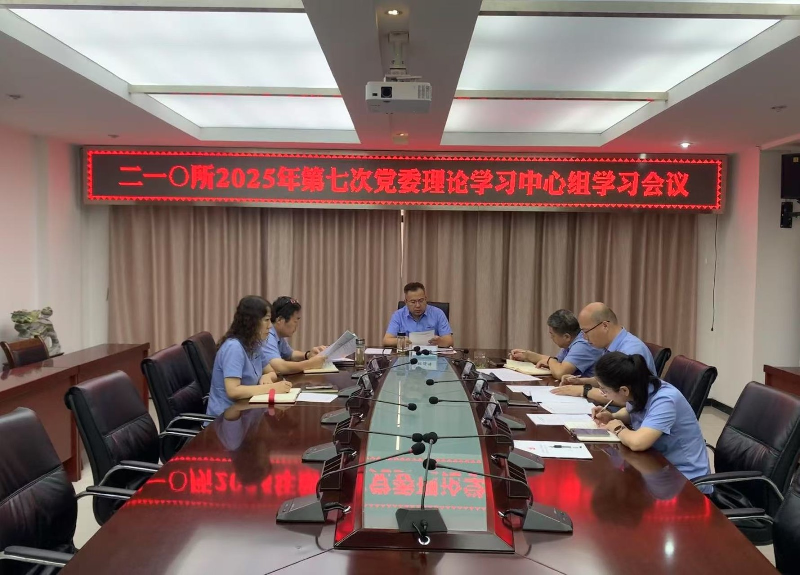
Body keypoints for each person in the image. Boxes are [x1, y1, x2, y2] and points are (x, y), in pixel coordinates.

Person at [590, 352, 711, 491]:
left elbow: (638, 443)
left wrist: (618, 428)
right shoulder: (639, 387)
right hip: (657, 465)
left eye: (604, 390)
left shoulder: (665, 400)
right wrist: (612, 416)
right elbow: (633, 412)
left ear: (624, 390)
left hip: (685, 479)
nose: (603, 394)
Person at [551, 302, 656, 404]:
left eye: (586, 332)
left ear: (605, 326)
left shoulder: (631, 351)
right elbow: (611, 382)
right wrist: (580, 382)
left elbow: (626, 398)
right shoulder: (608, 346)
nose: (585, 338)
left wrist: (584, 390)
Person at [206, 296, 292, 417]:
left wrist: (267, 376)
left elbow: (272, 371)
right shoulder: (234, 347)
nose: (270, 326)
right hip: (225, 419)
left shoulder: (253, 344)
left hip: (247, 412)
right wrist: (272, 388)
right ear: (252, 321)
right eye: (266, 320)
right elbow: (233, 391)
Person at [509, 309, 603, 379]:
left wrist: (550, 361)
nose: (551, 338)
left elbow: (560, 373)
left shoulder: (583, 344)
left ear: (566, 337)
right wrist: (527, 355)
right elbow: (557, 362)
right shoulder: (572, 341)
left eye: (552, 335)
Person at [263, 296, 327, 375]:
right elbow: (279, 367)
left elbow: (290, 354)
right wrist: (310, 364)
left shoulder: (278, 335)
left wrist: (308, 355)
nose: (297, 326)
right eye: (295, 321)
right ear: (280, 320)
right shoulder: (267, 335)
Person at [383, 282, 453, 348]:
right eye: (413, 302)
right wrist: (401, 341)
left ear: (425, 299)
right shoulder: (398, 315)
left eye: (421, 300)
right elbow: (386, 340)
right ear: (406, 302)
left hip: (431, 354)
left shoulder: (438, 313)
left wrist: (440, 341)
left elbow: (449, 341)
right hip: (407, 354)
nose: (418, 305)